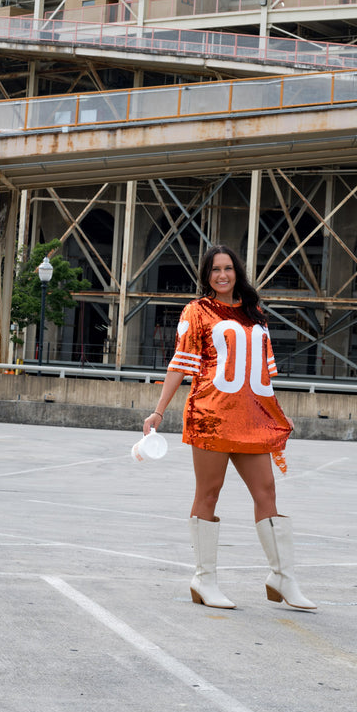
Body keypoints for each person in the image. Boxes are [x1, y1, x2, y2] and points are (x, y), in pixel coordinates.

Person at [143, 244, 316, 612]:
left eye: (228, 268)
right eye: (215, 270)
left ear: (237, 271)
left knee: (266, 492)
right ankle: (204, 579)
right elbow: (180, 364)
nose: (222, 275)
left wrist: (276, 415)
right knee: (209, 493)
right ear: (207, 275)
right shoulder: (197, 311)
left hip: (252, 419)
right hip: (211, 415)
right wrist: (159, 411)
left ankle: (282, 577)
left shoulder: (256, 313)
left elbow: (264, 375)